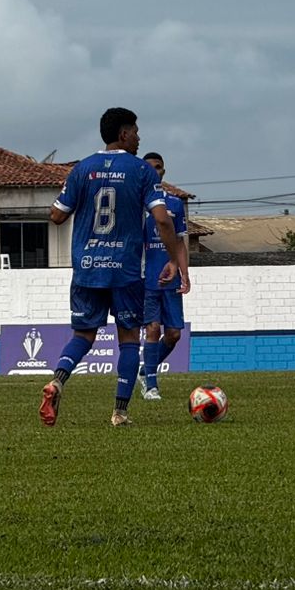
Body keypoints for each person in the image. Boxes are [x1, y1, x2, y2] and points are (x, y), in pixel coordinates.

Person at [40, 108, 188, 427]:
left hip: (87, 267)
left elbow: (56, 215)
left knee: (83, 334)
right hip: (125, 270)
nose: (139, 138)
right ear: (123, 134)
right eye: (135, 132)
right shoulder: (142, 171)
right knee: (129, 339)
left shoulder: (82, 169)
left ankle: (58, 380)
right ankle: (120, 412)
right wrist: (173, 259)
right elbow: (162, 219)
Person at [131, 152, 190, 409]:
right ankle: (151, 385)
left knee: (174, 334)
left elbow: (180, 242)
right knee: (153, 329)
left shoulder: (174, 204)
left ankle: (146, 370)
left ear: (163, 171)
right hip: (146, 279)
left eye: (158, 167)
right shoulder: (135, 203)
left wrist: (185, 274)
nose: (154, 171)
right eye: (149, 167)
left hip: (171, 279)